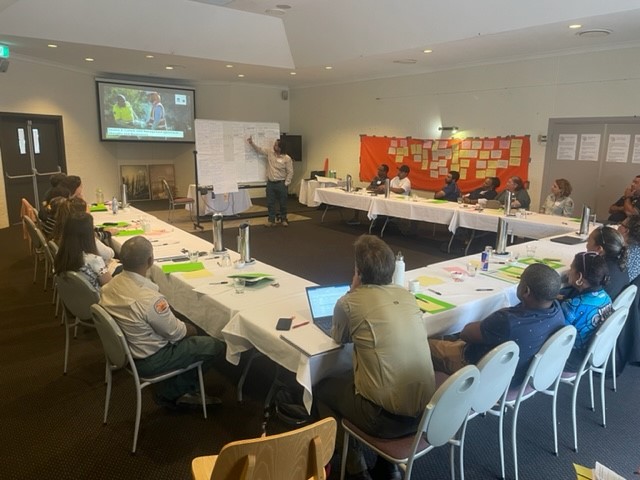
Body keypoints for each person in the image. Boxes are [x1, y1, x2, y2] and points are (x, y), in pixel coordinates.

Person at [314, 235, 436, 480]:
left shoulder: (348, 302)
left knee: (321, 388)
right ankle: (386, 466)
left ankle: (354, 465)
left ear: (358, 271)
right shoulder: (407, 295)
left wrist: (353, 290)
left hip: (384, 420)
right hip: (428, 413)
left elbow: (339, 338)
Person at [100, 236, 224, 409]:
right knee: (214, 344)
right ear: (150, 260)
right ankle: (176, 392)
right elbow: (177, 333)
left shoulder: (110, 286)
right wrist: (193, 328)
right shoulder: (149, 299)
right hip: (150, 360)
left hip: (126, 352)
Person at [428, 263, 565, 387]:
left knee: (424, 345)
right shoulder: (557, 311)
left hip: (476, 369)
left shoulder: (507, 321)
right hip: (516, 375)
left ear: (526, 291)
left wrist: (494, 317)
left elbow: (465, 334)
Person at [560, 252, 613, 370]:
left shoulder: (572, 306)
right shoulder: (606, 297)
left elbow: (556, 335)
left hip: (573, 359)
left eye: (571, 268)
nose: (568, 272)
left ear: (579, 277)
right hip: (593, 352)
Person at [54, 212, 112, 290]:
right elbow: (110, 285)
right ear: (89, 234)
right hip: (99, 300)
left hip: (73, 297)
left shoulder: (60, 254)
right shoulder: (94, 260)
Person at [247, 136, 294, 227]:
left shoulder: (287, 158)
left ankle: (283, 219)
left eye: (276, 145)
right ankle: (271, 220)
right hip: (271, 183)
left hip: (281, 183)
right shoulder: (270, 153)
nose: (274, 146)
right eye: (274, 144)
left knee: (283, 203)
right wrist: (251, 143)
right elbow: (259, 150)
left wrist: (286, 183)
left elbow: (290, 172)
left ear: (281, 148)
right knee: (270, 202)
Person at [586, 226, 629, 299]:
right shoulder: (621, 265)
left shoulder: (597, 272)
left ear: (599, 249)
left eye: (588, 242)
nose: (586, 246)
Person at [617, 214, 640, 282]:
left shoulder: (620, 252)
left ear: (626, 231)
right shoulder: (637, 251)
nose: (618, 227)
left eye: (621, 224)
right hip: (624, 288)